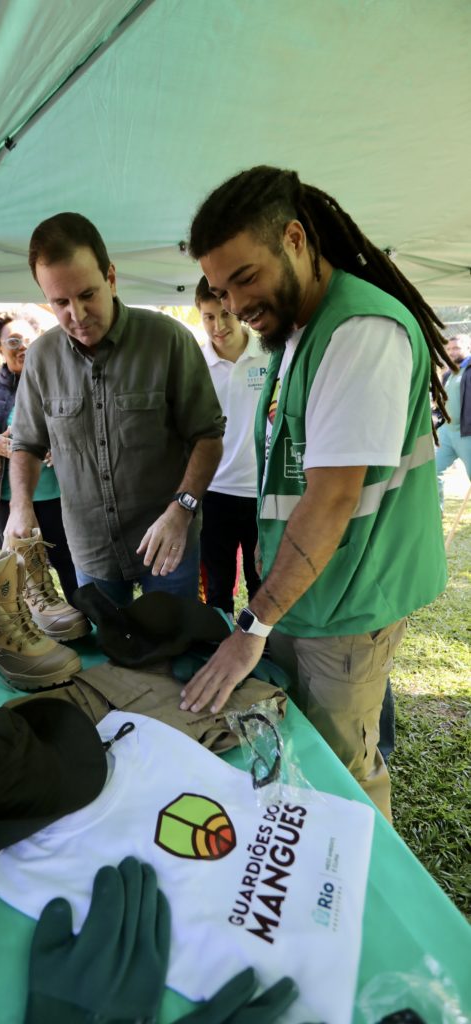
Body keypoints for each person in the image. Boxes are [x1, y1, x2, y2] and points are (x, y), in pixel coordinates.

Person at [182, 166, 450, 820]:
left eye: (245, 277)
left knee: (344, 782)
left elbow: (330, 500)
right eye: (220, 288)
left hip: (351, 602)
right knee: (301, 753)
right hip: (310, 595)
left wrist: (252, 625)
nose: (236, 303)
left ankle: (369, 915)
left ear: (296, 240)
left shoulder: (358, 332)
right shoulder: (299, 328)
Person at [4, 212, 225, 606]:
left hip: (169, 546)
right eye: (60, 303)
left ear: (110, 277)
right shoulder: (41, 358)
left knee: (173, 656)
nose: (77, 314)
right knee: (106, 663)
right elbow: (26, 443)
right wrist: (20, 507)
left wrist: (183, 508)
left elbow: (207, 435)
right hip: (91, 550)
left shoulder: (168, 341)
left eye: (87, 294)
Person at [0, 311, 79, 603]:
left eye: (29, 340)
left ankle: (84, 618)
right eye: (13, 340)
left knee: (68, 562)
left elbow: (79, 431)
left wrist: (58, 446)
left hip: (56, 493)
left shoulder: (59, 381)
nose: (22, 346)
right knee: (24, 567)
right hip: (6, 497)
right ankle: (35, 627)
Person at [195, 276, 269, 616]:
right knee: (217, 587)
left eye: (224, 314)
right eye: (209, 316)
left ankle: (262, 654)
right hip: (214, 492)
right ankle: (218, 647)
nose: (218, 325)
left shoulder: (271, 353)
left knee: (262, 583)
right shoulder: (194, 364)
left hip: (262, 492)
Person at [435, 333, 471, 509]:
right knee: (433, 471)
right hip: (447, 433)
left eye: (456, 348)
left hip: (467, 434)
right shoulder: (450, 373)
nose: (451, 352)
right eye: (448, 349)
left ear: (468, 348)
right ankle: (436, 513)